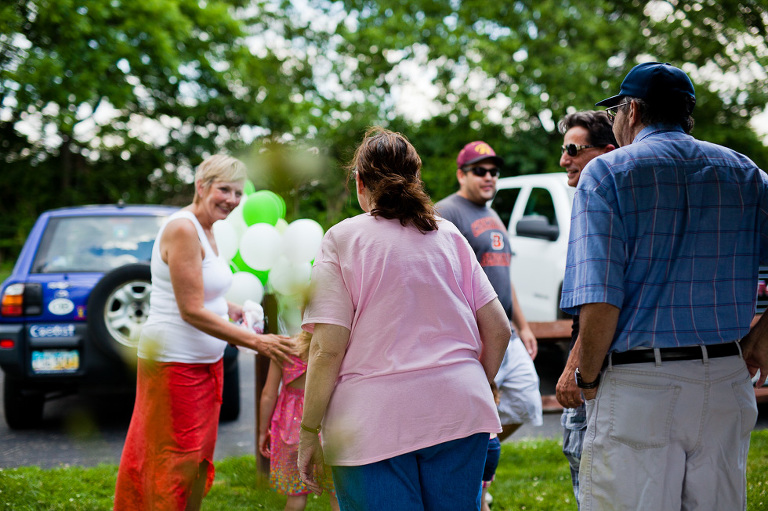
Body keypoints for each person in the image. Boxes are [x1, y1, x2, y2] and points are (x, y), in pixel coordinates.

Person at [560, 61, 768, 510]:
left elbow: (600, 295)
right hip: (727, 379)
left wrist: (587, 376)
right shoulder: (748, 174)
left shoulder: (608, 173)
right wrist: (762, 337)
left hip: (639, 385)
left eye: (616, 110)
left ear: (632, 110)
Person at [297, 127, 511, 510]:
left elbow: (326, 351)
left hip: (371, 420)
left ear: (360, 182)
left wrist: (308, 429)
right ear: (417, 178)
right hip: (460, 409)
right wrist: (481, 378)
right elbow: (498, 328)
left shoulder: (342, 239)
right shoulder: (449, 236)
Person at [114, 154, 294, 511]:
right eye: (224, 189)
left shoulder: (209, 228)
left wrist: (230, 308)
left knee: (196, 461)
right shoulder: (182, 228)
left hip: (205, 366)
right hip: (173, 367)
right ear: (201, 186)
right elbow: (190, 309)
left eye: (238, 192)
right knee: (171, 462)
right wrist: (258, 341)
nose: (232, 199)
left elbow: (201, 291)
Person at [435, 141, 544, 442]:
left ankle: (484, 448)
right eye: (480, 171)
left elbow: (504, 274)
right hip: (475, 332)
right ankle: (477, 470)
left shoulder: (492, 214)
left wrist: (523, 326)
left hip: (506, 330)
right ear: (461, 175)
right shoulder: (446, 212)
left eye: (494, 172)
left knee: (525, 401)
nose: (489, 177)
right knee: (469, 409)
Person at [553, 110, 616, 506]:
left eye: (573, 149)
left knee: (587, 465)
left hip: (600, 370)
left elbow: (602, 295)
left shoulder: (601, 199)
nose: (564, 159)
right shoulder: (589, 197)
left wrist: (577, 372)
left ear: (607, 152)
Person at [258, 331, 340, 511]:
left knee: (295, 499)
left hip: (291, 431)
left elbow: (268, 394)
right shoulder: (336, 348)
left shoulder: (285, 348)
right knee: (338, 497)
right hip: (328, 428)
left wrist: (263, 431)